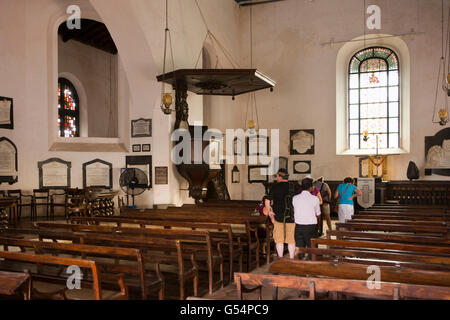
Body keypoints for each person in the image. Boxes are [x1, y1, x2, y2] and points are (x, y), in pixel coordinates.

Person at [264, 168, 300, 259]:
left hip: (278, 217)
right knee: (291, 240)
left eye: (277, 176)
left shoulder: (275, 187)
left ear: (279, 177)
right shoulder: (294, 186)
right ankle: (291, 258)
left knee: (279, 240)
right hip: (292, 216)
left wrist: (270, 212)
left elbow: (267, 201)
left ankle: (280, 259)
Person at [293, 177, 321, 260]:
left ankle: (300, 265)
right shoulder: (315, 199)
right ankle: (310, 264)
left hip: (298, 226)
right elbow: (318, 214)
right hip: (311, 226)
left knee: (299, 248)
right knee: (311, 248)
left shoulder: (295, 198)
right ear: (311, 187)